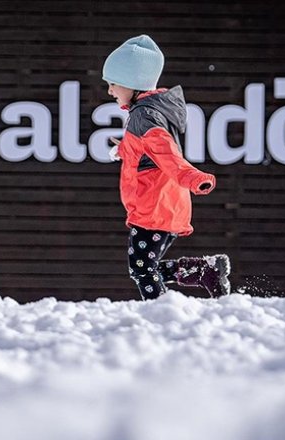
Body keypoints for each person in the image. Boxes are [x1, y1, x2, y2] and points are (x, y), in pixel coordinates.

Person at [103, 34, 232, 300]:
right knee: (143, 267)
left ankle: (159, 310)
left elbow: (166, 154)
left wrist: (194, 177)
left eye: (113, 84)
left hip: (154, 205)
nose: (110, 91)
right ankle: (203, 270)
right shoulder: (148, 112)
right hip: (163, 203)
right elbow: (145, 151)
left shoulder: (144, 116)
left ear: (131, 83)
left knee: (141, 269)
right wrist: (123, 149)